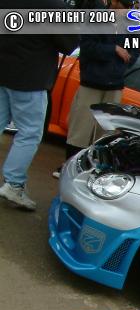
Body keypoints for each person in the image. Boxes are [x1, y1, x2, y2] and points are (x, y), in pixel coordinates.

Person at [0, 0, 78, 210]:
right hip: (30, 79)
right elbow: (69, 44)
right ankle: (13, 184)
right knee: (30, 133)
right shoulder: (54, 6)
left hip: (3, 70)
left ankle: (14, 184)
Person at [62, 0, 140, 174]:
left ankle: (91, 170)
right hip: (91, 82)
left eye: (129, 6)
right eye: (123, 5)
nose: (126, 9)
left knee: (104, 133)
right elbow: (87, 47)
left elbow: (137, 48)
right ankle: (68, 167)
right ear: (114, 2)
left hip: (115, 85)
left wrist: (124, 64)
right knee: (80, 129)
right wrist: (114, 49)